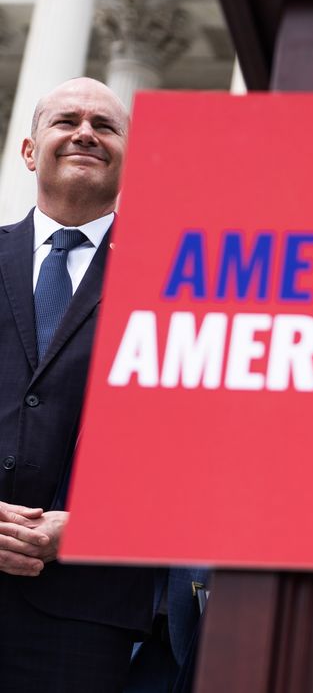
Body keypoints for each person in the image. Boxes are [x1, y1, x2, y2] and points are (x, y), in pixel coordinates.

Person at [0, 77, 155, 691]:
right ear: (31, 149)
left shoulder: (170, 277)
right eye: (67, 121)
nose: (86, 132)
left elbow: (196, 453)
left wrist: (90, 527)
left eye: (106, 126)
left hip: (86, 616)